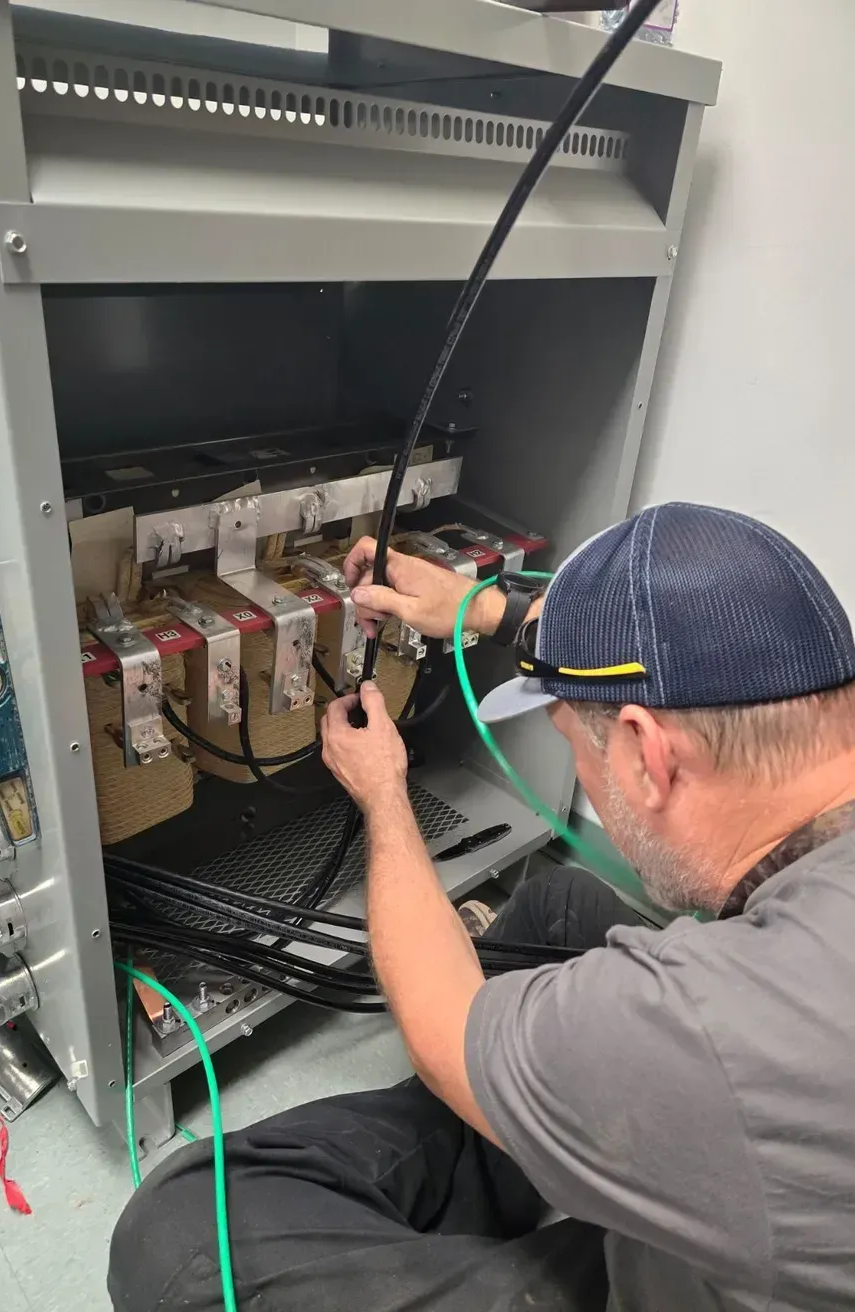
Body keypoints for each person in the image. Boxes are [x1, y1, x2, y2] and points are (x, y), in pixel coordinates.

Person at [109, 502, 855, 1312]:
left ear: (647, 755)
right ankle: (509, 1147)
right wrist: (482, 608)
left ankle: (483, 1168)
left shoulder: (719, 1026)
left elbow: (443, 1029)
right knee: (560, 908)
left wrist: (382, 796)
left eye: (571, 737)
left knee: (181, 1233)